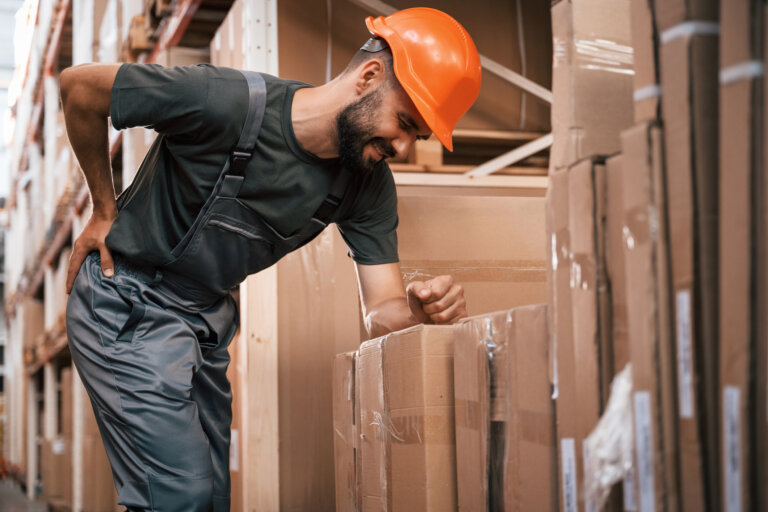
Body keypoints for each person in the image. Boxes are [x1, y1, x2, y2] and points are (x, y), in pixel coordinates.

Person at [61, 7, 481, 511]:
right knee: (177, 497)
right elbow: (79, 89)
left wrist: (415, 310)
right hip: (126, 300)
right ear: (369, 76)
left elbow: (380, 311)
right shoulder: (227, 102)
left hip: (204, 324)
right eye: (405, 123)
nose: (405, 146)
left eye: (419, 136)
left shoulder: (366, 186)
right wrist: (103, 210)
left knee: (212, 498)